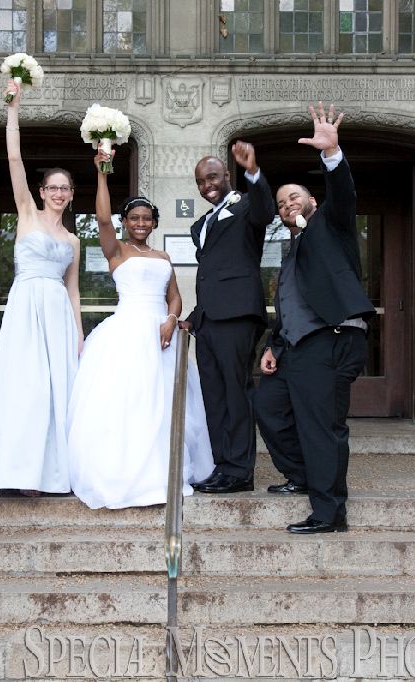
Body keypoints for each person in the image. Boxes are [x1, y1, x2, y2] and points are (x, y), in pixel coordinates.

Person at [66, 146, 214, 509]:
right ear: (126, 222)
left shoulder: (163, 257)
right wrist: (102, 171)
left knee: (162, 406)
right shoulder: (116, 250)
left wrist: (169, 320)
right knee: (127, 404)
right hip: (125, 333)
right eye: (134, 218)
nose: (141, 224)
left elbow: (175, 297)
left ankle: (162, 471)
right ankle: (123, 471)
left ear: (154, 222)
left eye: (147, 218)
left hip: (160, 336)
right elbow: (101, 219)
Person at [254, 102, 375, 533]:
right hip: (295, 347)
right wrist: (274, 345)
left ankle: (329, 512)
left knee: (322, 427)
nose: (288, 203)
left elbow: (344, 193)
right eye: (282, 201)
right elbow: (289, 305)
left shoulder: (332, 225)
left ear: (312, 200)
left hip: (331, 339)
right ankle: (302, 476)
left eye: (295, 197)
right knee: (267, 406)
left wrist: (331, 156)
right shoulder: (291, 253)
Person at [0, 79, 83, 495]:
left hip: (56, 310)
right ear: (42, 191)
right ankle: (15, 473)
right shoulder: (26, 214)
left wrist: (79, 332)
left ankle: (52, 474)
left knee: (56, 389)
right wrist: (13, 109)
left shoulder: (73, 241)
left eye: (64, 188)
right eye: (52, 187)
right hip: (25, 307)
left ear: (72, 196)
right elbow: (14, 158)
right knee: (25, 386)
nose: (57, 193)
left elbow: (73, 290)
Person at [179, 142, 276, 494]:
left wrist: (254, 172)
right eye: (202, 181)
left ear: (227, 176)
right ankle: (220, 465)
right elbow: (213, 272)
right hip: (208, 322)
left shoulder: (248, 206)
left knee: (236, 394)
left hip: (237, 316)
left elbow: (266, 210)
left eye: (214, 177)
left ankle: (239, 471)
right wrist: (193, 316)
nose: (208, 185)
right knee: (214, 396)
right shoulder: (201, 224)